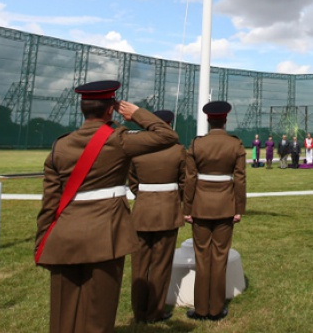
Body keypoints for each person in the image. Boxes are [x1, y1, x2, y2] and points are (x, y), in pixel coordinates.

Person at [35, 80, 178, 333]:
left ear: (83, 109)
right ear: (111, 109)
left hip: (64, 234)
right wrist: (136, 114)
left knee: (63, 313)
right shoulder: (118, 140)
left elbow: (49, 203)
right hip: (105, 233)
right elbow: (167, 135)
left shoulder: (61, 145)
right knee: (98, 312)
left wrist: (42, 243)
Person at [184, 101, 246, 321]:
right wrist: (239, 209)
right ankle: (216, 308)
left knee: (202, 257)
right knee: (219, 257)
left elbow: (189, 179)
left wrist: (187, 207)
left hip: (200, 206)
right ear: (225, 120)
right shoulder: (235, 144)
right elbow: (239, 179)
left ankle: (201, 309)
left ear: (208, 120)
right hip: (225, 207)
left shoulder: (196, 144)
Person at [128, 110, 186, 324]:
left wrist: (144, 198)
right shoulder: (178, 150)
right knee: (161, 265)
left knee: (139, 265)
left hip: (142, 212)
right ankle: (155, 312)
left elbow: (132, 182)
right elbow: (184, 182)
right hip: (167, 212)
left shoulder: (137, 152)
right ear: (168, 125)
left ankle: (139, 312)